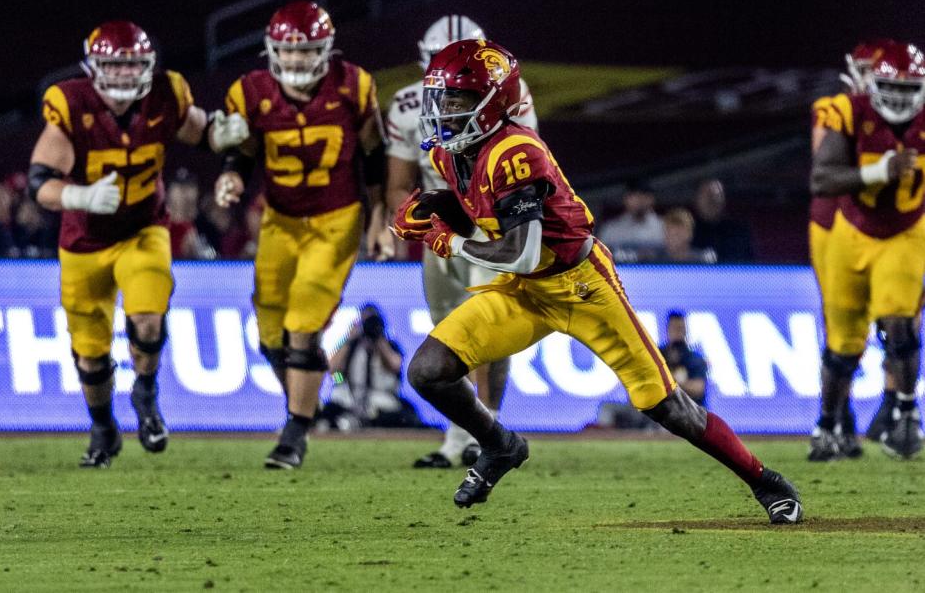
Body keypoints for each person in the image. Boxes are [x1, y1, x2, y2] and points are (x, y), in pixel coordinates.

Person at [393, 39, 801, 523]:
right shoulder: (451, 156)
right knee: (428, 370)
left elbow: (520, 253)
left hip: (580, 286)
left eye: (456, 100)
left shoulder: (515, 150)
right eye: (441, 98)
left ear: (491, 102)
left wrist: (447, 242)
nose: (444, 111)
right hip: (527, 293)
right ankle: (498, 444)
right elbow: (485, 219)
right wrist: (438, 211)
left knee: (668, 407)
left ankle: (767, 482)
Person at [27, 20, 242, 467]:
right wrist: (79, 195)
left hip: (144, 228)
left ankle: (145, 393)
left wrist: (224, 136)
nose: (124, 76)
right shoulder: (72, 104)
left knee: (147, 316)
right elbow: (38, 182)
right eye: (113, 66)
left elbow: (202, 131)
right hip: (83, 241)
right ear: (93, 67)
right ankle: (104, 428)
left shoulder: (166, 94)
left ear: (147, 66)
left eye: (132, 66)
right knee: (91, 352)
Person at [212, 0, 386, 469]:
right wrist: (231, 174)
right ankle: (306, 404)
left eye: (306, 51)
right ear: (272, 51)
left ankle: (295, 432)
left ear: (325, 50)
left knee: (303, 328)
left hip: (335, 219)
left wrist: (379, 216)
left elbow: (373, 154)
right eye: (288, 53)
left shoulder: (354, 85)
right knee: (271, 334)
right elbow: (243, 149)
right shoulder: (250, 91)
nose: (295, 61)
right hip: (280, 221)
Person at [386, 14, 537, 468]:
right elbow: (398, 180)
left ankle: (485, 432)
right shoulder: (409, 104)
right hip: (443, 224)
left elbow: (527, 166)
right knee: (447, 331)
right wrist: (408, 216)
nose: (452, 71)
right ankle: (459, 437)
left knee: (485, 329)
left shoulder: (512, 95)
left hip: (488, 220)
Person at [811, 40, 925, 460]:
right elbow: (821, 179)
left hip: (906, 231)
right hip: (850, 231)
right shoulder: (846, 110)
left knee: (900, 325)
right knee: (843, 345)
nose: (898, 99)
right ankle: (828, 425)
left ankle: (907, 414)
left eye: (909, 88)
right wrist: (882, 170)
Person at [805, 41, 894, 461]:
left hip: (886, 227)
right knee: (843, 334)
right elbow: (825, 166)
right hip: (834, 223)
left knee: (897, 322)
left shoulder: (905, 112)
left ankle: (892, 408)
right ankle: (837, 420)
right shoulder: (835, 107)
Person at [321, 303, 419, 429]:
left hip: (382, 400)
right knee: (326, 412)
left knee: (405, 416)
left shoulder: (390, 346)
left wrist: (379, 338)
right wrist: (348, 340)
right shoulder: (351, 347)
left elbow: (396, 366)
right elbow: (333, 371)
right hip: (349, 398)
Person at [597, 180, 664, 262]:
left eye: (644, 195)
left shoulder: (665, 228)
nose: (639, 200)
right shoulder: (611, 230)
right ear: (626, 199)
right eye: (634, 196)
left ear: (651, 199)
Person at [691, 179, 754, 262]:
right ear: (696, 199)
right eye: (706, 195)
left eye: (716, 195)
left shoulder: (739, 231)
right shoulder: (684, 231)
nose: (711, 200)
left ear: (724, 200)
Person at [659, 311, 708, 408]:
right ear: (668, 329)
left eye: (680, 328)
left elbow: (699, 388)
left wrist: (670, 382)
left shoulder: (695, 359)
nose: (677, 332)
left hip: (690, 412)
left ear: (685, 330)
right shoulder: (657, 356)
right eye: (674, 328)